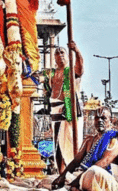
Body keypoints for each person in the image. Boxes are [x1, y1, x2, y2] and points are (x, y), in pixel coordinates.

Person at [49, 106, 118, 191]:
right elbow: (76, 161)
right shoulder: (89, 140)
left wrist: (78, 180)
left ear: (111, 120)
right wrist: (61, 177)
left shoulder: (114, 140)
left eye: (103, 118)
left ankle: (76, 185)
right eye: (97, 118)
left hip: (109, 181)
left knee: (94, 171)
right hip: (86, 176)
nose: (99, 120)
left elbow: (104, 163)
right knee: (49, 181)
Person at [41, 41, 84, 173]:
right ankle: (61, 173)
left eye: (62, 52)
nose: (60, 55)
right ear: (54, 58)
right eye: (57, 53)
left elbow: (80, 69)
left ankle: (73, 171)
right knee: (58, 144)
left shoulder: (71, 71)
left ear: (67, 55)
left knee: (71, 142)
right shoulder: (51, 74)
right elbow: (37, 79)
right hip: (55, 110)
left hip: (69, 111)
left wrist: (76, 51)